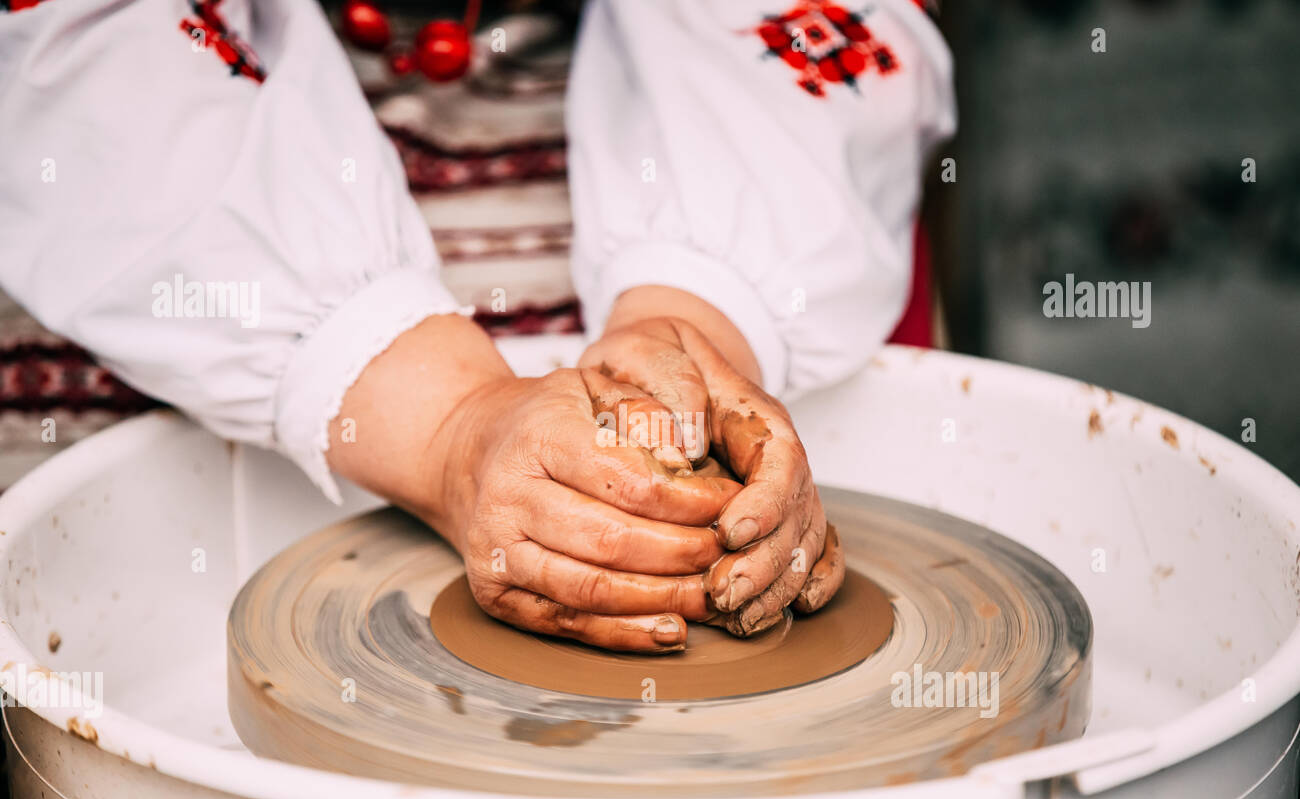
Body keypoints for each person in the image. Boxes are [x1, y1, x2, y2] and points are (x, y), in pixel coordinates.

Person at [0, 0, 954, 651]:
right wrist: (453, 428)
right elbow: (72, 61)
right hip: (158, 116)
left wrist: (691, 322)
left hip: (674, 82)